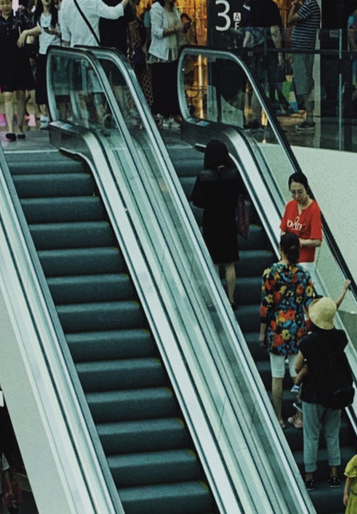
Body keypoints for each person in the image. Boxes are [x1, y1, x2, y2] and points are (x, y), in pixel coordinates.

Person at [294, 289, 352, 490]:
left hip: (313, 394)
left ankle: (309, 476)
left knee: (311, 435)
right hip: (335, 393)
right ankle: (335, 475)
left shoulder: (308, 341)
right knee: (332, 433)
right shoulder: (340, 338)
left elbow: (296, 366)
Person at [259, 233, 316, 423]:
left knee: (277, 376)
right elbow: (310, 304)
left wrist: (262, 333)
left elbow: (266, 306)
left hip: (277, 328)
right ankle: (299, 417)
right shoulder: (303, 274)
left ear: (280, 248)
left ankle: (278, 418)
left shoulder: (271, 273)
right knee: (296, 374)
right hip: (297, 327)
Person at [192, 139, 242, 307]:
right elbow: (240, 195)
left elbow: (197, 201)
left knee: (214, 262)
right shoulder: (234, 174)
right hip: (229, 222)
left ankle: (215, 300)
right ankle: (232, 299)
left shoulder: (204, 176)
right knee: (229, 263)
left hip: (211, 222)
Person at [0, 0, 34, 141]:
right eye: (3, 3)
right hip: (5, 61)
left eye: (8, 3)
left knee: (20, 94)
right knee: (7, 95)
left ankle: (19, 126)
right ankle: (10, 129)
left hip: (20, 60)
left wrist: (25, 35)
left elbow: (33, 31)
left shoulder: (19, 19)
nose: (5, 6)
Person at [19, 0, 62, 127]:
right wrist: (26, 33)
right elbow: (38, 30)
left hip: (56, 54)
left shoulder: (58, 14)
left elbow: (64, 32)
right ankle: (46, 113)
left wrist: (56, 32)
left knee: (57, 85)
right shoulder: (38, 15)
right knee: (43, 84)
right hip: (43, 54)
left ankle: (57, 115)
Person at [146, 0, 186, 127]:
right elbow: (156, 32)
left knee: (172, 83)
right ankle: (163, 114)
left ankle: (172, 114)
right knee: (163, 84)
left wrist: (183, 28)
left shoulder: (174, 8)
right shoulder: (157, 8)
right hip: (162, 53)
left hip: (174, 51)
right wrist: (175, 29)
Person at [288, 0, 322, 130]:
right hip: (302, 49)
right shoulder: (310, 5)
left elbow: (290, 19)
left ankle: (309, 118)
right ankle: (308, 116)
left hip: (303, 50)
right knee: (303, 83)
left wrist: (293, 5)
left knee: (304, 84)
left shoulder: (309, 5)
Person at [279, 173, 322, 268]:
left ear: (307, 189)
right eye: (293, 192)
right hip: (287, 258)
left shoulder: (314, 209)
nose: (297, 196)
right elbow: (283, 230)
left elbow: (317, 241)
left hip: (304, 261)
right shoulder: (290, 205)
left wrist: (297, 242)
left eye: (300, 192)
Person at [58, 0, 126, 49]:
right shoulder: (92, 1)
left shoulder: (64, 4)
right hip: (92, 53)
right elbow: (114, 13)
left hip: (76, 54)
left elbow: (66, 38)